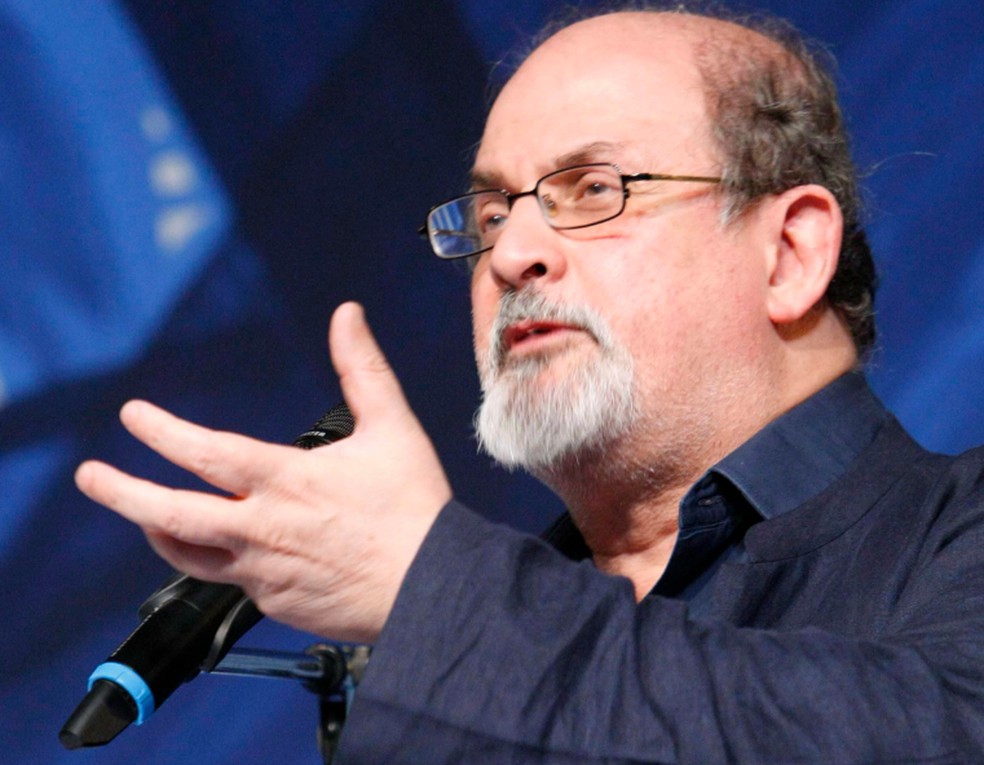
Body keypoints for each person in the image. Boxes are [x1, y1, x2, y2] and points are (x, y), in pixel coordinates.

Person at [74, 5, 984, 763]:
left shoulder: (959, 531)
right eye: (492, 212)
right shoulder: (454, 663)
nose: (509, 253)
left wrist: (430, 591)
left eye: (594, 190)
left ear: (789, 253)